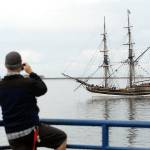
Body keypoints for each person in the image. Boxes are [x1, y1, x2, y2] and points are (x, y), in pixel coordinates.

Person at [0, 51, 67, 150]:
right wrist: (31, 72)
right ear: (21, 65)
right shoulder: (28, 83)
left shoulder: (1, 86)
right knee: (61, 138)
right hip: (30, 132)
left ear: (6, 66)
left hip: (12, 136)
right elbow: (43, 89)